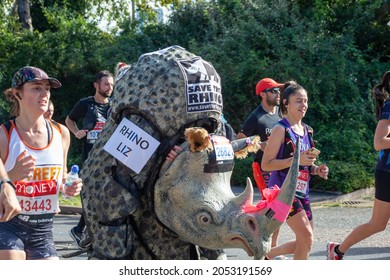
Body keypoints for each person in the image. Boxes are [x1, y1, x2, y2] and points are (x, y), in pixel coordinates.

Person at [0, 66, 83, 260]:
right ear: (17, 93)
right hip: (7, 224)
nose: (44, 93)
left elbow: (61, 177)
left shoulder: (61, 133)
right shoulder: (5, 135)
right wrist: (12, 176)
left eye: (47, 88)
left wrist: (69, 186)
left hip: (43, 230)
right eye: (36, 88)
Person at [261, 81, 329, 260]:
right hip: (283, 192)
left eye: (305, 101)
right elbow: (266, 164)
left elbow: (305, 164)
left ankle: (267, 255)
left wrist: (316, 170)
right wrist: (295, 160)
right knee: (306, 237)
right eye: (298, 101)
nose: (304, 105)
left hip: (301, 192)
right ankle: (267, 255)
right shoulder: (280, 129)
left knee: (306, 240)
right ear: (286, 103)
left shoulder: (308, 130)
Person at [327, 71, 390, 260]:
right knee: (378, 224)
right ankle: (337, 250)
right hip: (387, 172)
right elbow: (379, 142)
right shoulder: (389, 108)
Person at [65, 70, 114, 249]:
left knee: (105, 197)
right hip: (90, 161)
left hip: (110, 161)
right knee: (91, 197)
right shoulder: (86, 103)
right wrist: (77, 132)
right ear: (96, 85)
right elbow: (69, 120)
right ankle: (80, 230)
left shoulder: (115, 105)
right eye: (106, 84)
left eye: (111, 85)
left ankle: (89, 231)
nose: (110, 88)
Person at [236, 78, 284, 252]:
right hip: (262, 167)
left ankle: (272, 247)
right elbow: (239, 139)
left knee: (278, 207)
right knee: (273, 206)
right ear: (263, 94)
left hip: (279, 165)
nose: (278, 94)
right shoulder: (256, 117)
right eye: (273, 91)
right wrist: (259, 144)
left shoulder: (279, 113)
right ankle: (266, 246)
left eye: (278, 91)